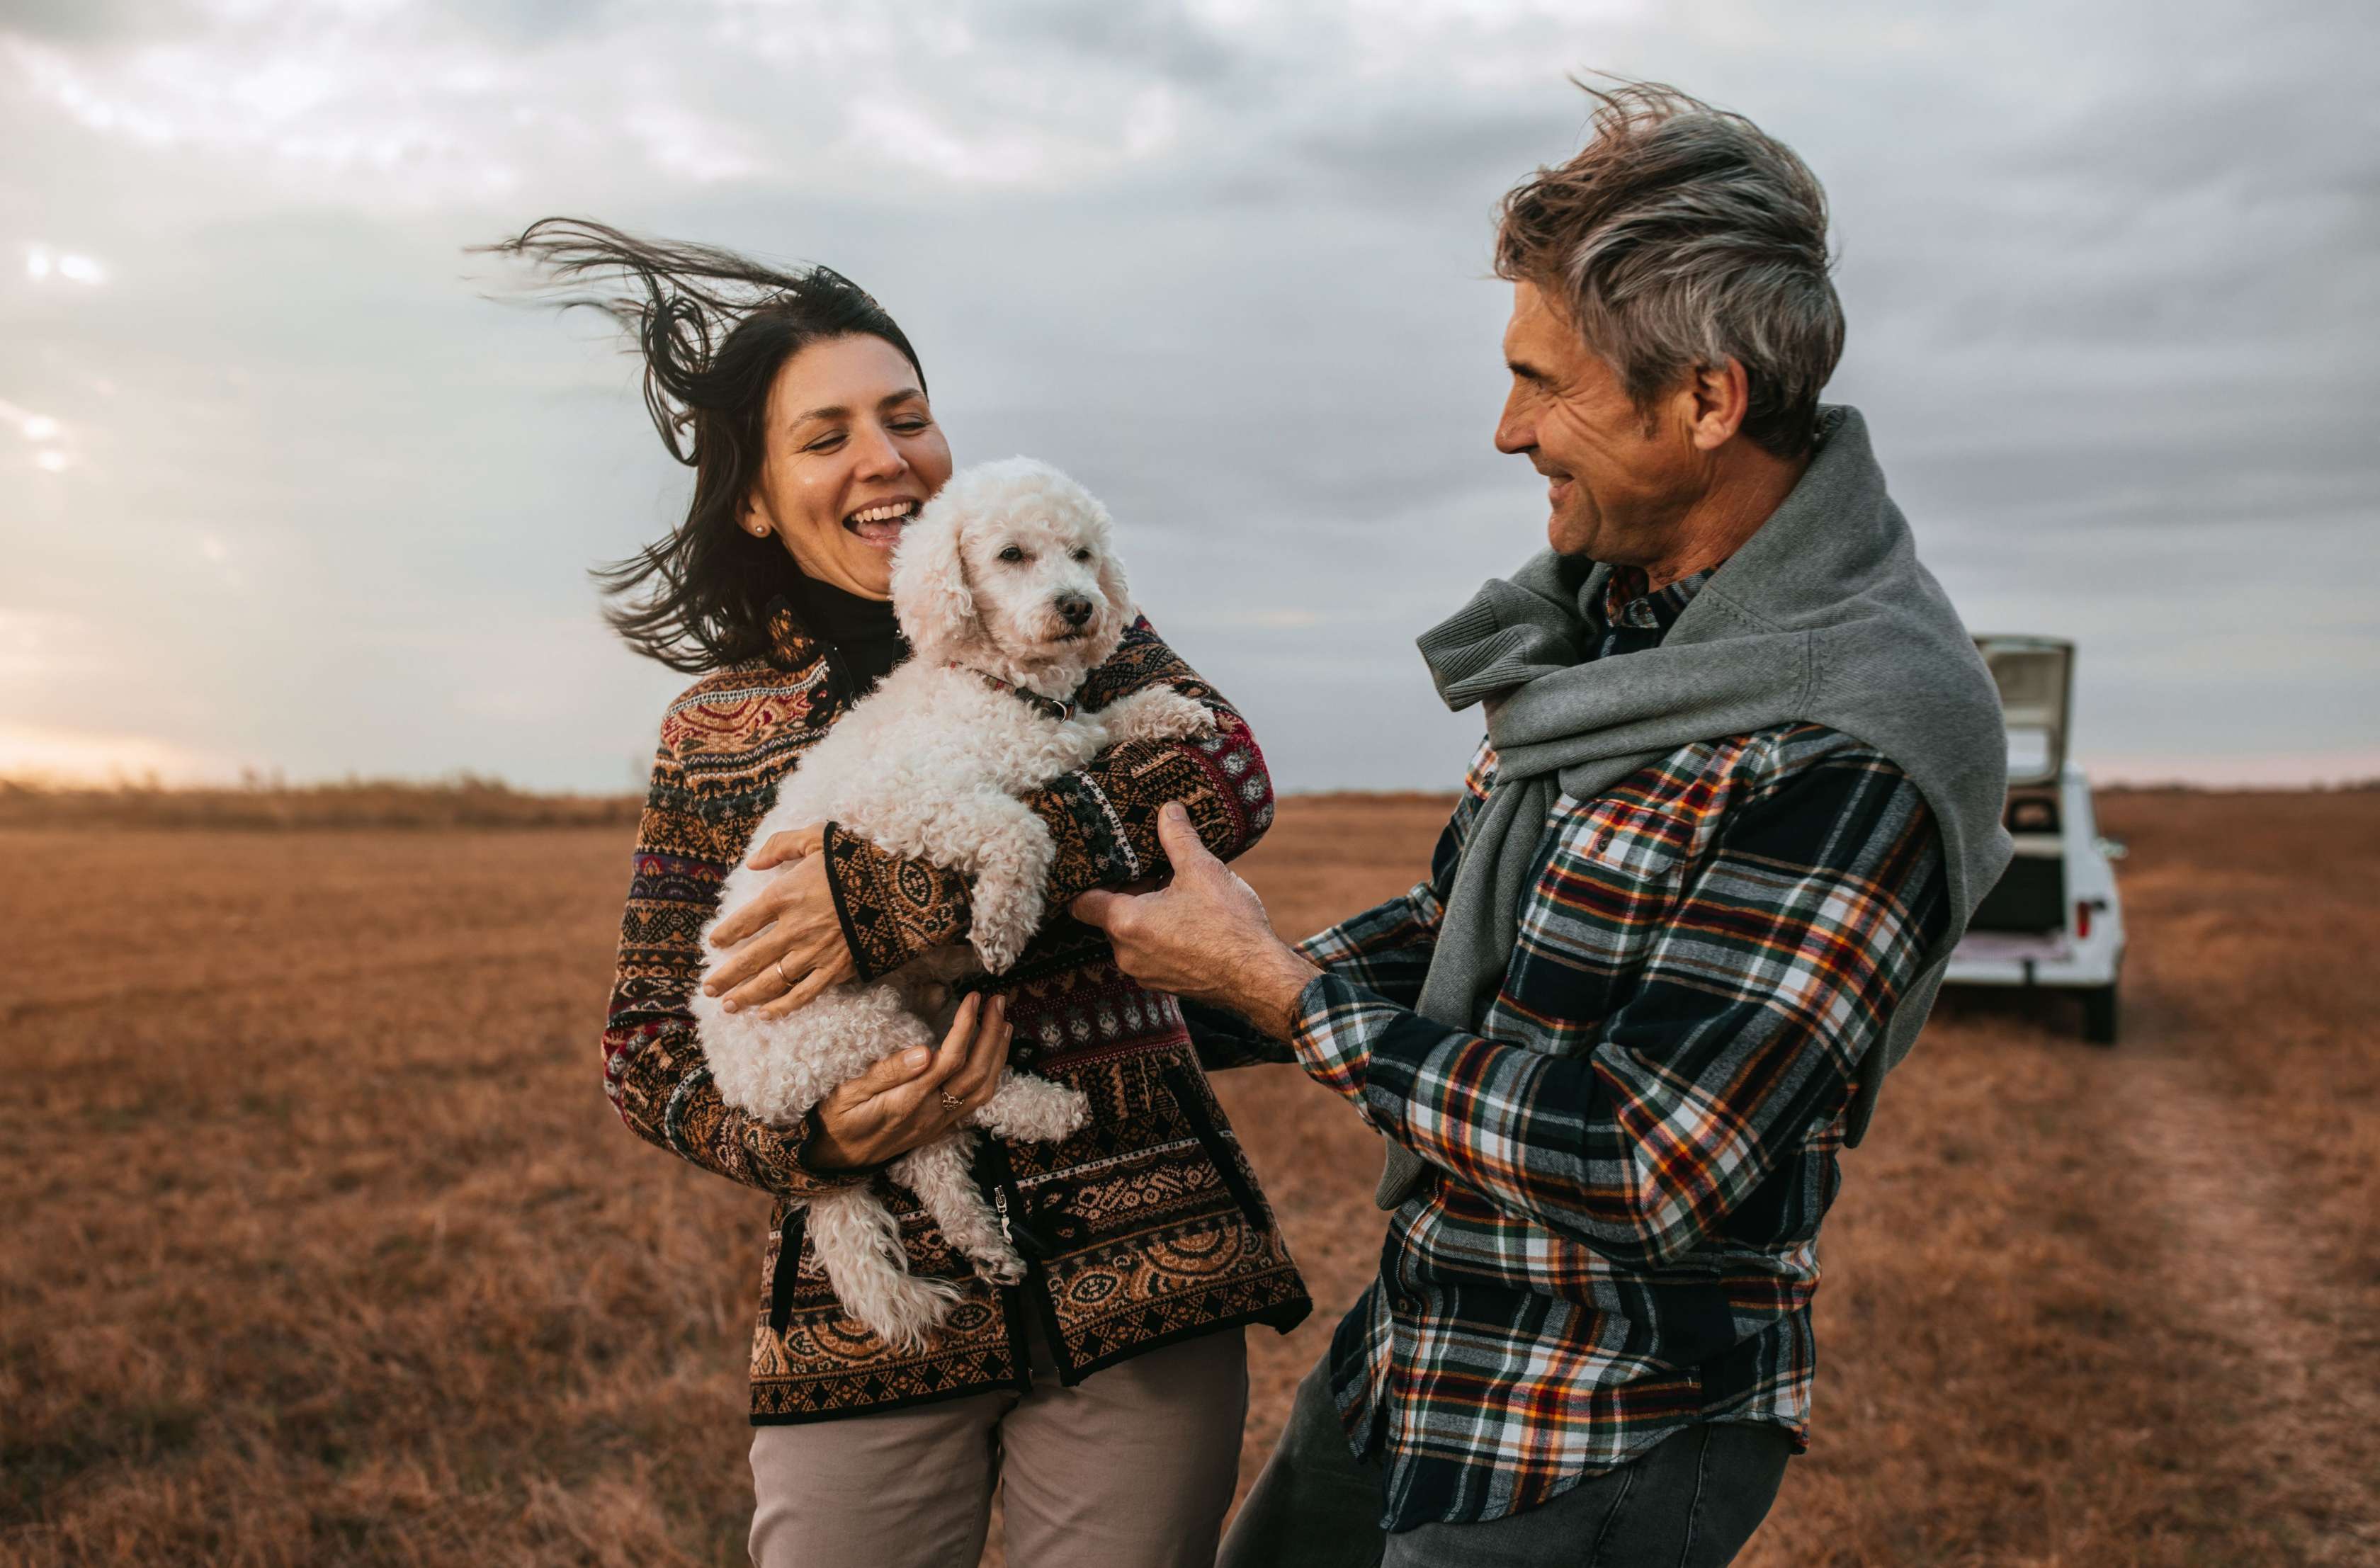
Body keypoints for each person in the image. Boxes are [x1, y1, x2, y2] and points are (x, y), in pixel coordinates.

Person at [1072, 83, 2014, 1567]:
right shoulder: (1624, 637)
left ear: (1706, 401)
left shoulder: (1864, 731)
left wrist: (1281, 994)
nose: (1507, 432)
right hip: (1425, 1357)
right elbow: (1475, 936)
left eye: (1544, 382)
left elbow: (1654, 1159)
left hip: (1604, 1425)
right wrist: (1136, 998)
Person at [506, 220, 1311, 1568]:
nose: (885, 457)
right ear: (758, 498)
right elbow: (647, 1040)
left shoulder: (1066, 620)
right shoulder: (717, 731)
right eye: (826, 436)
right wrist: (812, 1139)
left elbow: (1221, 775)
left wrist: (881, 902)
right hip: (867, 1294)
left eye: (909, 417)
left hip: (1145, 1249)